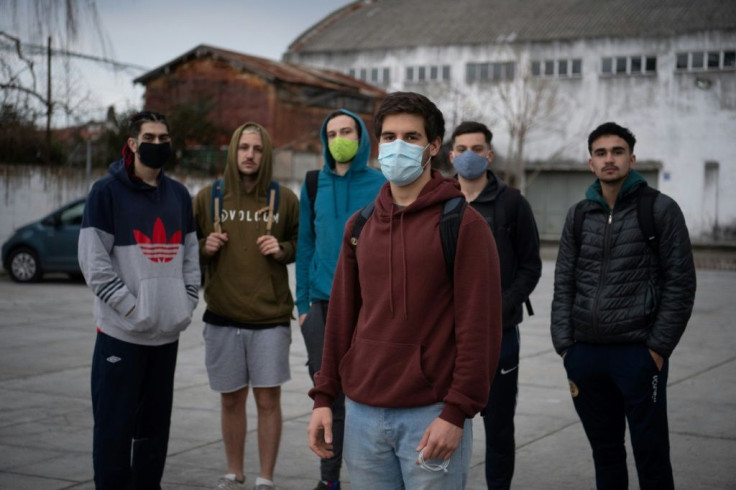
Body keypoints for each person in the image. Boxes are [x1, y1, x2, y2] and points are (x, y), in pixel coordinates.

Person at [307, 91, 503, 489]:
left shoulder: (463, 226)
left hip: (430, 415)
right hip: (362, 414)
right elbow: (340, 319)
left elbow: (479, 329)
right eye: (390, 137)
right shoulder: (360, 226)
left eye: (411, 138)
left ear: (433, 146)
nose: (398, 146)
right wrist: (324, 397)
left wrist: (456, 413)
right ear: (377, 144)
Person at [551, 122, 696, 490]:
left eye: (617, 152)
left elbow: (680, 283)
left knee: (651, 454)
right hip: (585, 355)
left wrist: (658, 349)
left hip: (638, 353)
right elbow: (563, 282)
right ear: (590, 163)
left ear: (632, 158)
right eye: (601, 153)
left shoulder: (660, 210)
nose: (609, 159)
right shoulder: (579, 215)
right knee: (605, 452)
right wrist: (566, 347)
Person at [78, 110, 200, 489]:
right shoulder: (106, 192)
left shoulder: (179, 194)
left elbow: (191, 256)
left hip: (165, 338)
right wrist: (133, 309)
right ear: (132, 144)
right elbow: (94, 263)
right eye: (151, 137)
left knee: (153, 436)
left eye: (165, 138)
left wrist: (186, 303)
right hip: (121, 337)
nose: (159, 144)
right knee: (114, 434)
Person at [193, 122, 299, 490]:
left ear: (265, 153)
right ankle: (234, 472)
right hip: (222, 316)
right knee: (230, 400)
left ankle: (265, 478)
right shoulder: (209, 197)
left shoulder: (284, 198)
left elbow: (303, 243)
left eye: (256, 149)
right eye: (243, 148)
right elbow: (186, 248)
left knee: (269, 399)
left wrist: (283, 250)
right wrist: (203, 247)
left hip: (270, 318)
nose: (250, 155)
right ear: (233, 152)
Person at [450, 121, 542, 490]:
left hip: (499, 336)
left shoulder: (512, 203)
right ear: (450, 155)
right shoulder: (440, 200)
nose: (469, 155)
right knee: (448, 423)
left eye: (477, 148)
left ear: (489, 155)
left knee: (499, 428)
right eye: (462, 149)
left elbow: (530, 265)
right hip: (447, 336)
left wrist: (501, 306)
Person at [296, 109, 384, 490]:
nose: (339, 140)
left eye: (346, 131)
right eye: (331, 134)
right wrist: (302, 307)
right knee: (328, 397)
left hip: (368, 308)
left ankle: (374, 476)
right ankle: (329, 480)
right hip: (321, 305)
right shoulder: (314, 183)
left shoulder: (381, 183)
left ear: (361, 136)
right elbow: (305, 245)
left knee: (369, 394)